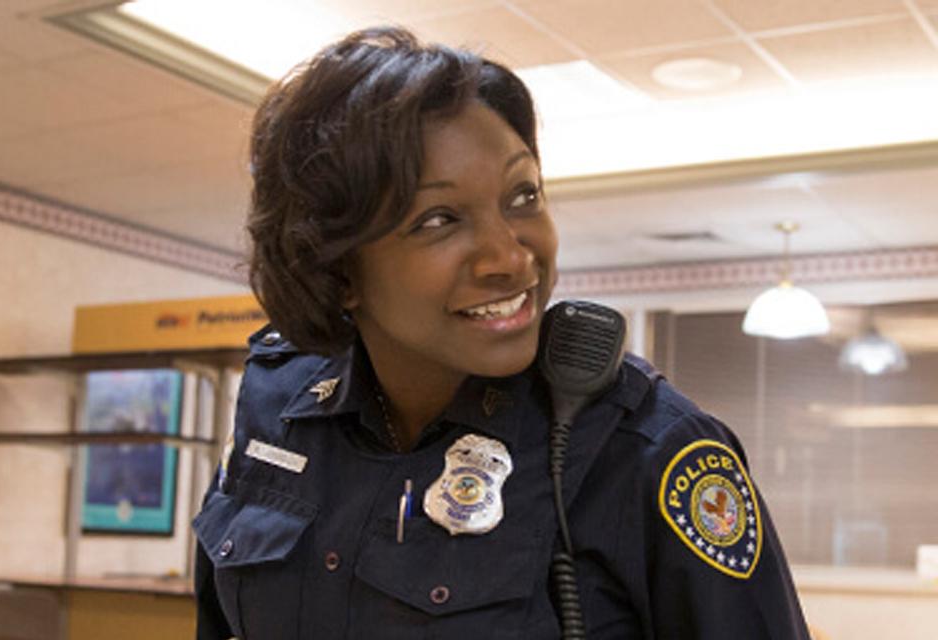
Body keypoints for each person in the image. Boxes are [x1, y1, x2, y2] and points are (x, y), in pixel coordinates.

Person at [193, 26, 810, 640]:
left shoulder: (647, 451)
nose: (511, 259)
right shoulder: (279, 407)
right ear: (336, 266)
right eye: (440, 219)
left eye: (523, 196)